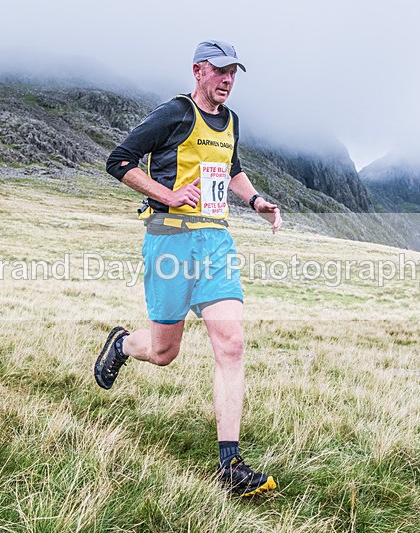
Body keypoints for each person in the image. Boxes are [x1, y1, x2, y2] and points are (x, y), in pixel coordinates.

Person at [96, 40, 282, 497]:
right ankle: (122, 344)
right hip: (169, 241)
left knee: (231, 342)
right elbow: (118, 161)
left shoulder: (231, 121)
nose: (228, 80)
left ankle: (230, 465)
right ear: (198, 70)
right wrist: (168, 194)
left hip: (215, 240)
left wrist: (255, 201)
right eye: (220, 71)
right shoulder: (174, 114)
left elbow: (231, 168)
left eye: (234, 73)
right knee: (164, 352)